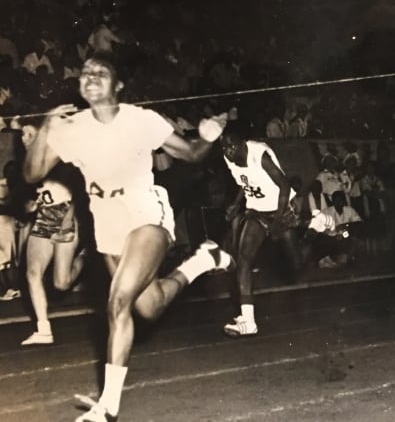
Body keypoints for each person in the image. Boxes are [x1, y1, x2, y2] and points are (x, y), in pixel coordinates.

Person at [22, 52, 233, 422]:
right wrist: (44, 128)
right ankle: (204, 260)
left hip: (145, 213)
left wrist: (209, 135)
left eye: (100, 73)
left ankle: (108, 407)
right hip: (107, 223)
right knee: (147, 306)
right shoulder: (70, 127)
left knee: (118, 301)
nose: (90, 77)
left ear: (118, 85)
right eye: (85, 73)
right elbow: (31, 174)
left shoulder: (142, 120)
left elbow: (192, 154)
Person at [220, 126, 333, 337]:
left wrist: (279, 219)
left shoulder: (260, 156)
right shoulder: (229, 158)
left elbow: (283, 185)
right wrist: (236, 205)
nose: (228, 151)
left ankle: (314, 226)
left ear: (243, 144)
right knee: (243, 260)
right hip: (255, 211)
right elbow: (244, 182)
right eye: (224, 147)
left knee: (297, 264)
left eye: (232, 146)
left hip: (280, 207)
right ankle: (248, 321)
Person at [19, 123, 87, 345]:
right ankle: (43, 329)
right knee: (32, 272)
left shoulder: (59, 156)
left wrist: (68, 218)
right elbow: (37, 195)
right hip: (45, 217)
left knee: (61, 283)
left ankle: (85, 258)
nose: (23, 138)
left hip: (65, 213)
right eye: (22, 134)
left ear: (42, 134)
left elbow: (81, 189)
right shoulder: (29, 162)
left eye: (29, 133)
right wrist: (31, 205)